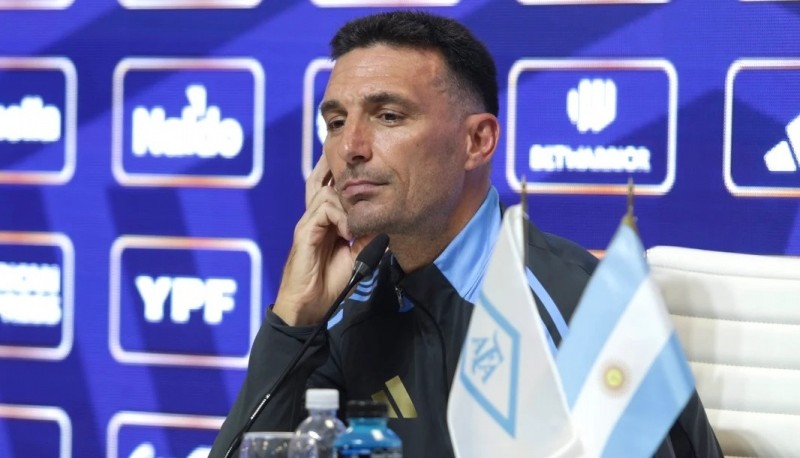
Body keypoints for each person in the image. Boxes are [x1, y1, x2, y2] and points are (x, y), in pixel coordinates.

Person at [210, 11, 721, 458]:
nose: (351, 148)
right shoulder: (347, 305)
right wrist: (295, 320)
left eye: (389, 116)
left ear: (478, 141)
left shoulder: (573, 306)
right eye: (337, 122)